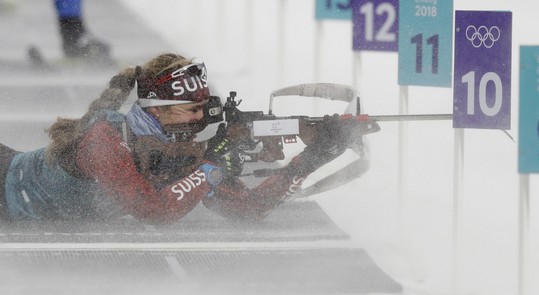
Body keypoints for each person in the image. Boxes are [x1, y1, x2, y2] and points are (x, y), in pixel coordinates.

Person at [0, 53, 355, 224]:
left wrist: (310, 160)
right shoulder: (106, 141)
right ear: (156, 110)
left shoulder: (182, 149)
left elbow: (245, 209)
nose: (200, 117)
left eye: (203, 107)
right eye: (189, 109)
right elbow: (154, 211)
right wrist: (212, 166)